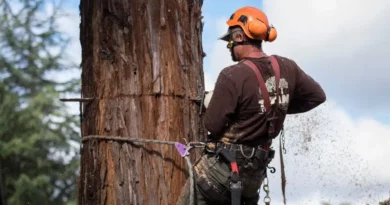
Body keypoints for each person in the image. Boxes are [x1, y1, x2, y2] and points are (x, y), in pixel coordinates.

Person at [177, 6, 326, 205]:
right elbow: (317, 96)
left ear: (238, 37)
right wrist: (273, 106)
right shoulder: (288, 67)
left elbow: (211, 125)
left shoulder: (232, 75)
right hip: (252, 180)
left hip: (218, 175)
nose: (229, 47)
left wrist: (213, 103)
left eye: (229, 41)